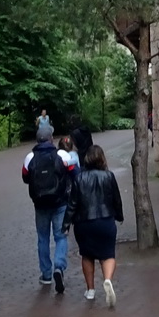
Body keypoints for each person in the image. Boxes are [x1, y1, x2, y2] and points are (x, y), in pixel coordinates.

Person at [62, 144, 123, 307]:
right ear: (102, 158)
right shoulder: (109, 176)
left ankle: (90, 290)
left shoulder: (79, 178)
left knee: (87, 255)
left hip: (84, 222)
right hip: (105, 220)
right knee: (108, 254)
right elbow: (116, 199)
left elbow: (72, 204)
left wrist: (66, 224)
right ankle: (108, 280)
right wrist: (119, 215)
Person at [22, 124, 72, 293]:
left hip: (40, 204)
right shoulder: (61, 154)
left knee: (43, 238)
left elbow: (25, 178)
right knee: (60, 236)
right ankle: (59, 266)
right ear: (52, 139)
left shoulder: (30, 157)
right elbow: (74, 172)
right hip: (59, 203)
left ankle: (46, 274)